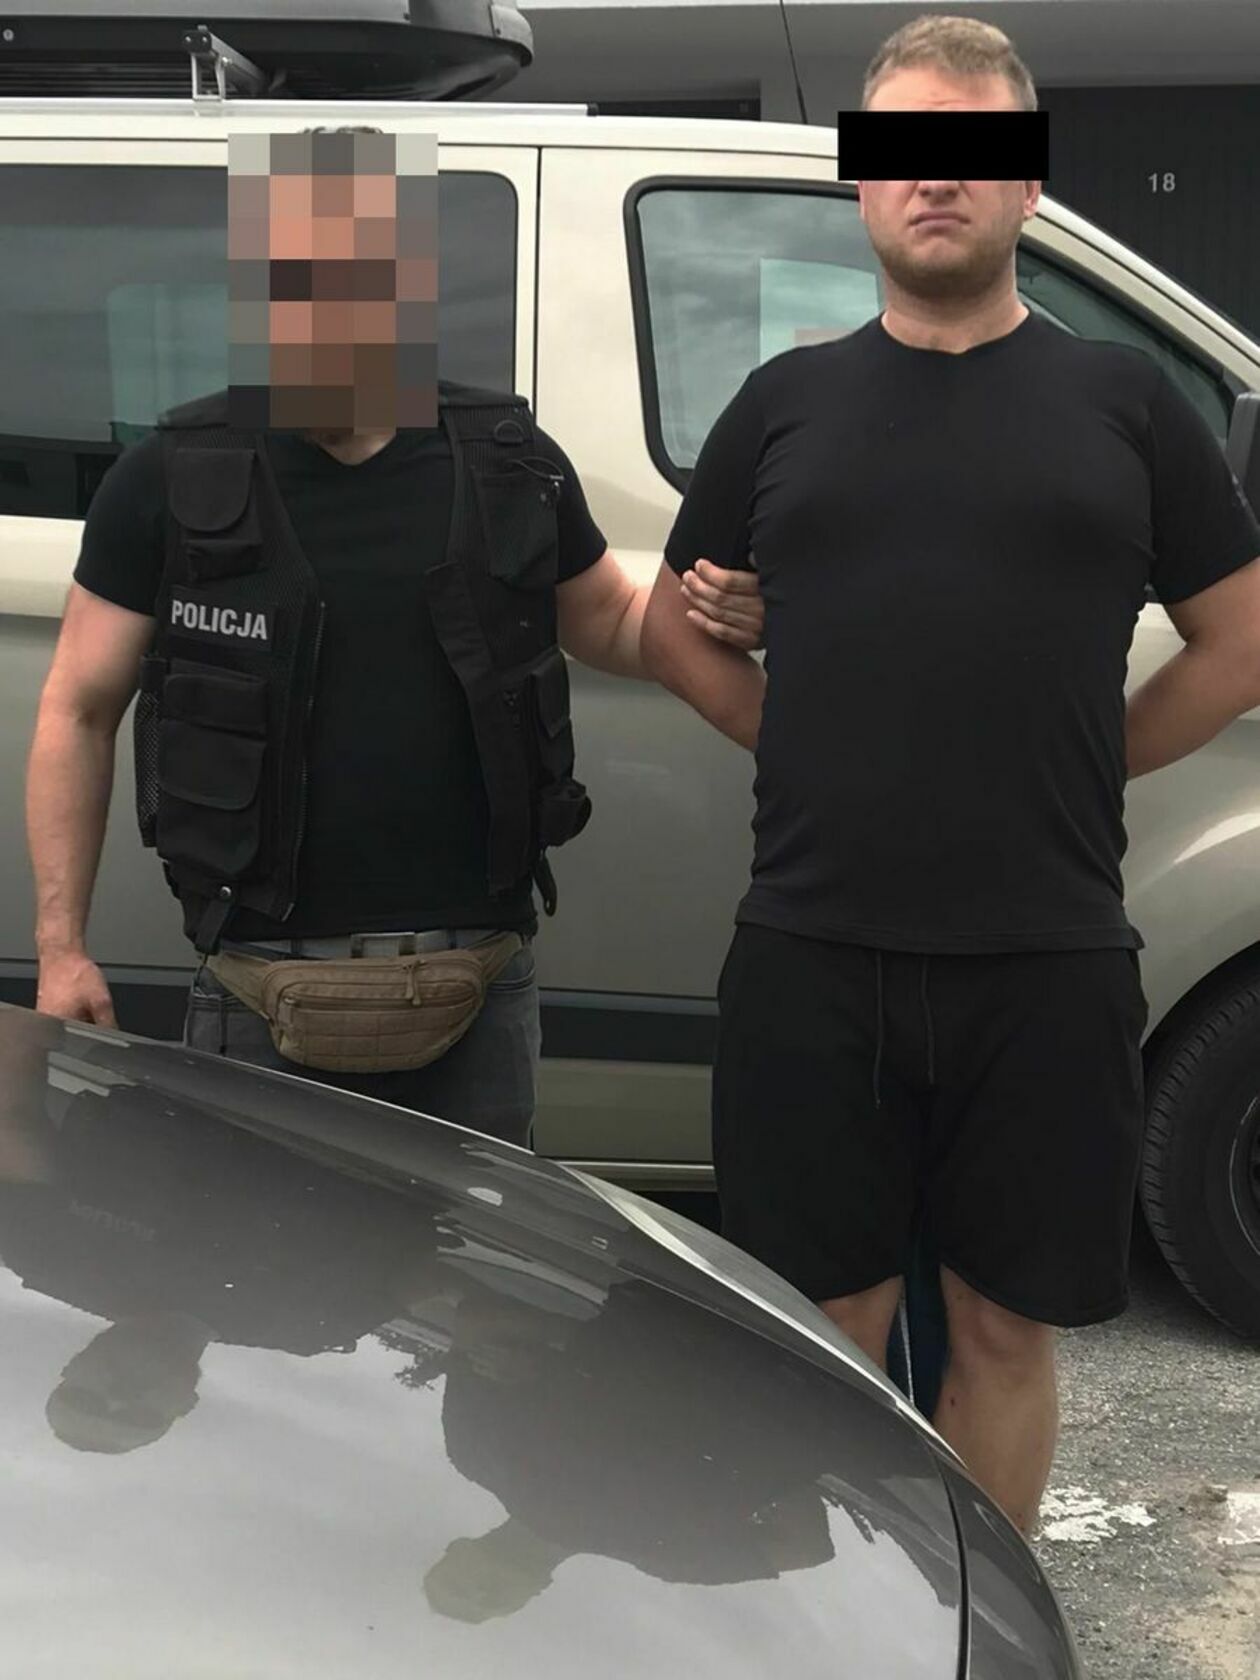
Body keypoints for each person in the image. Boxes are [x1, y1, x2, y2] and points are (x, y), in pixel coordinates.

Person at [641, 12, 1260, 1536]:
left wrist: (1090, 756)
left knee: (1001, 1330)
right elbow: (672, 628)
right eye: (905, 151)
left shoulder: (1126, 403)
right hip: (813, 950)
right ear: (861, 183)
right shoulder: (784, 404)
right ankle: (843, 1625)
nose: (937, 180)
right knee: (820, 1335)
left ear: (1028, 183)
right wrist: (800, 730)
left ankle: (979, 1624)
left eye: (974, 150)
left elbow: (1240, 640)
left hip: (1044, 956)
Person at [25, 125, 763, 1149]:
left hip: (476, 995)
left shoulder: (509, 461)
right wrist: (60, 948)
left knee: (480, 1259)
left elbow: (618, 622)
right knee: (255, 1255)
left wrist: (728, 608)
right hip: (255, 994)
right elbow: (78, 707)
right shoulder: (171, 477)